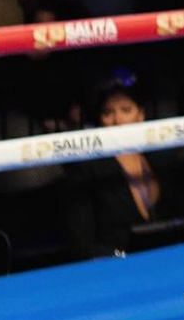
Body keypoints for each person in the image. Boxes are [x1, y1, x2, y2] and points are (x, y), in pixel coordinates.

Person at [63, 82, 172, 260]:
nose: (117, 121)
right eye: (108, 113)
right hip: (113, 269)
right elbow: (81, 243)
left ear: (140, 115)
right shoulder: (87, 169)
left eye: (126, 110)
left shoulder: (158, 159)